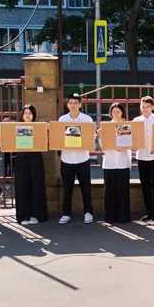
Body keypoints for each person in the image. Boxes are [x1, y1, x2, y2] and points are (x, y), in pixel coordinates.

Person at [58, 93, 94, 225]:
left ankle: (88, 212)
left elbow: (91, 138)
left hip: (82, 158)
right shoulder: (62, 120)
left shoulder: (87, 119)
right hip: (66, 160)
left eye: (75, 103)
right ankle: (66, 213)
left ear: (80, 104)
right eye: (70, 103)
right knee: (67, 189)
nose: (73, 105)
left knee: (86, 188)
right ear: (67, 104)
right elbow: (58, 138)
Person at [12, 104, 47, 225]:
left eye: (30, 113)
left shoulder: (39, 127)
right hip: (21, 159)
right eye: (25, 113)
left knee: (36, 186)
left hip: (35, 159)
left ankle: (36, 214)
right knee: (22, 186)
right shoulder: (15, 127)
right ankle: (23, 215)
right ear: (22, 115)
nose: (27, 115)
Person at [134, 96, 154, 222]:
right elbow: (132, 137)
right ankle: (149, 211)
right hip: (141, 156)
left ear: (153, 107)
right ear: (140, 107)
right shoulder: (136, 120)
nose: (145, 109)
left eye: (148, 106)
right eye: (143, 106)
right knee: (145, 185)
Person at [100, 102, 131, 224]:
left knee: (123, 190)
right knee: (110, 190)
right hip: (110, 162)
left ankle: (123, 217)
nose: (116, 114)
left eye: (118, 111)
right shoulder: (106, 127)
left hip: (123, 162)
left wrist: (123, 147)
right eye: (113, 112)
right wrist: (101, 136)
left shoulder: (127, 126)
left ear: (122, 112)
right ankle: (110, 217)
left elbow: (131, 143)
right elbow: (103, 146)